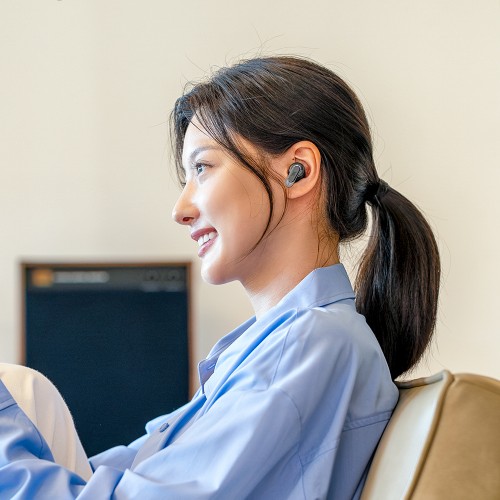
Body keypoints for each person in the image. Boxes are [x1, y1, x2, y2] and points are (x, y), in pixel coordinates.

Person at [0, 55, 440, 499]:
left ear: (299, 171)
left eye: (202, 168)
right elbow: (103, 478)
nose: (180, 209)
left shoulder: (310, 345)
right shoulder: (278, 348)